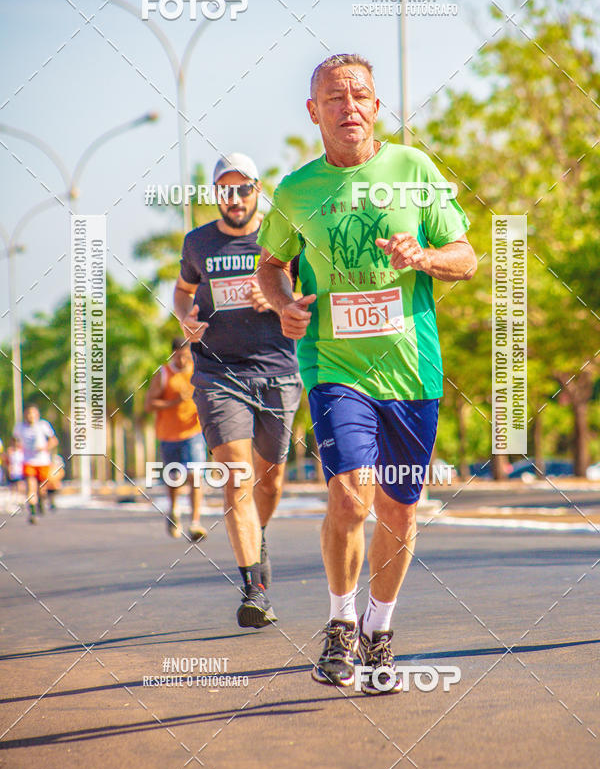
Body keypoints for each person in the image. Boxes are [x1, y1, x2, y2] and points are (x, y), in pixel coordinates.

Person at [257, 54, 477, 692]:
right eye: (335, 97)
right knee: (351, 494)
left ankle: (380, 629)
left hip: (411, 369)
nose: (348, 106)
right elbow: (270, 265)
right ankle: (340, 622)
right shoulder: (296, 191)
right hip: (333, 364)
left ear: (377, 107)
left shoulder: (414, 169)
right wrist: (283, 303)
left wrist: (425, 256)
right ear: (314, 111)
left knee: (400, 512)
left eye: (360, 96)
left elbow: (465, 257)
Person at [174, 152, 302, 629]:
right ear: (216, 194)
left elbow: (309, 293)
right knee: (236, 475)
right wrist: (184, 317)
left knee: (271, 480)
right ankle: (254, 589)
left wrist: (278, 298)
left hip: (279, 369)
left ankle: (257, 534)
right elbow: (183, 290)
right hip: (218, 372)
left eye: (243, 189)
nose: (235, 198)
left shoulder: (282, 236)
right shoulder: (198, 242)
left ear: (257, 190)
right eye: (225, 190)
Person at [145, 338, 207, 541]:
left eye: (186, 356)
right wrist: (175, 402)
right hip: (168, 435)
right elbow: (149, 404)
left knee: (195, 476)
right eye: (179, 356)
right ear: (172, 354)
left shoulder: (197, 372)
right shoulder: (163, 374)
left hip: (193, 433)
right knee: (174, 479)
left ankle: (195, 522)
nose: (182, 360)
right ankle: (173, 510)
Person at [13, 404, 58, 524]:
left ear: (37, 414)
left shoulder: (43, 425)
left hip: (42, 461)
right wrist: (16, 447)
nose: (31, 416)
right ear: (25, 414)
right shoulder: (19, 427)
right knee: (31, 486)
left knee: (41, 488)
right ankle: (32, 513)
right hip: (28, 461)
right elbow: (15, 440)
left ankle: (41, 501)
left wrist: (45, 448)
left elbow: (54, 440)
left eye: (33, 413)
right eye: (28, 413)